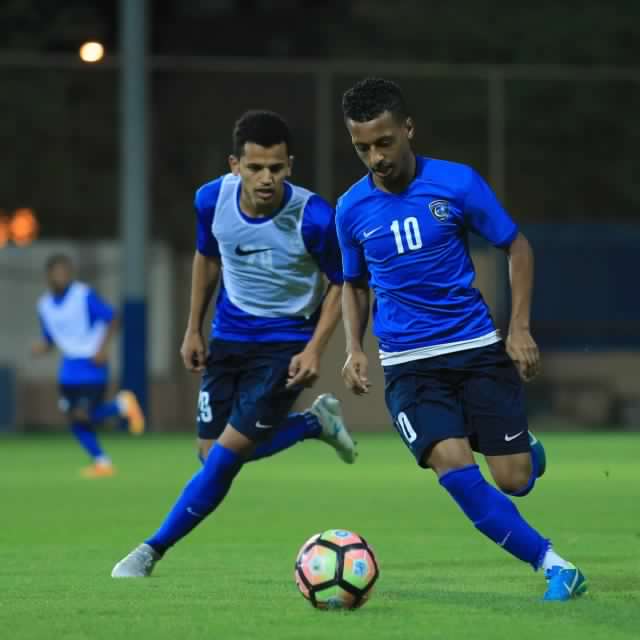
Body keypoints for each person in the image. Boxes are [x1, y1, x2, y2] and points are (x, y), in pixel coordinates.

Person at [336, 77, 586, 601]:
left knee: (515, 479)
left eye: (384, 142)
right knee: (453, 466)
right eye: (363, 148)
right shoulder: (350, 210)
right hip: (409, 367)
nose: (376, 157)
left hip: (476, 352)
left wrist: (518, 327)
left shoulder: (457, 183)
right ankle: (554, 565)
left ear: (407, 129)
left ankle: (526, 453)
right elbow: (353, 285)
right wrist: (355, 348)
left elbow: (516, 246)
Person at [111, 109, 357, 577]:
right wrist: (192, 328)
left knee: (222, 460)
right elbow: (207, 259)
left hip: (285, 344)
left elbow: (342, 283)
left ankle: (150, 551)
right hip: (228, 337)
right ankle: (313, 425)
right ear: (234, 165)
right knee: (208, 455)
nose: (267, 178)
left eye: (277, 168)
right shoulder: (210, 201)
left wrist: (314, 349)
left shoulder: (316, 218)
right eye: (255, 167)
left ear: (291, 166)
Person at [32, 254, 145, 478]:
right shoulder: (44, 305)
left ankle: (121, 407)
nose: (61, 276)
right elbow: (51, 339)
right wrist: (41, 348)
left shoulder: (82, 295)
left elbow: (113, 317)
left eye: (65, 271)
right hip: (68, 370)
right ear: (48, 275)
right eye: (56, 272)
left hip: (91, 365)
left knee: (83, 414)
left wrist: (102, 349)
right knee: (74, 419)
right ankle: (102, 462)